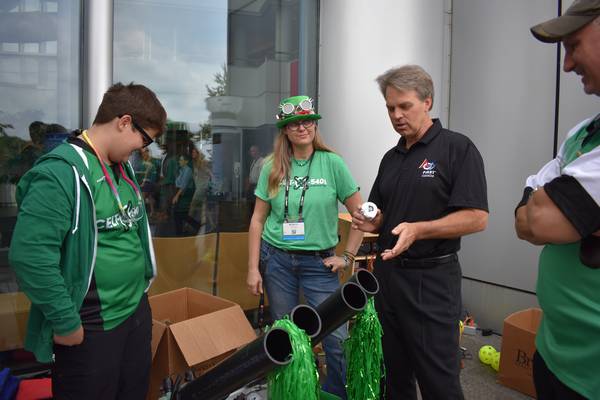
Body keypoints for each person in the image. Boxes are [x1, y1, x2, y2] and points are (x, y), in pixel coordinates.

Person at [9, 82, 167, 400]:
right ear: (124, 121)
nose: (143, 148)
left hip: (135, 314)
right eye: (144, 139)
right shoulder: (59, 173)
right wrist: (66, 323)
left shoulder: (121, 168)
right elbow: (30, 255)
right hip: (91, 325)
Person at [352, 65, 488, 399]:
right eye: (390, 108)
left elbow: (476, 217)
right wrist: (374, 222)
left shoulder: (457, 149)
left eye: (404, 106)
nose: (396, 115)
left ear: (427, 102)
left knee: (438, 381)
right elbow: (384, 216)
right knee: (393, 377)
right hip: (388, 280)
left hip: (431, 281)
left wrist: (420, 230)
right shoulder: (392, 157)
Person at [246, 95, 364, 399]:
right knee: (287, 335)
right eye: (294, 123)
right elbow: (257, 220)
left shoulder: (332, 163)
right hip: (277, 262)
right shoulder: (271, 166)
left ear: (315, 125)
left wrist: (347, 257)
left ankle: (336, 393)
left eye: (308, 121)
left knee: (335, 337)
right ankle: (296, 391)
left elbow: (360, 215)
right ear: (285, 129)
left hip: (319, 263)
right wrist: (252, 268)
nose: (302, 127)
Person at [515, 2, 600, 398]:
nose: (566, 65)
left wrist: (545, 198)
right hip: (554, 353)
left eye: (574, 45)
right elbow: (524, 219)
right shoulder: (585, 132)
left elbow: (543, 221)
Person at [188, 145, 212, 231]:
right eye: (192, 152)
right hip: (200, 187)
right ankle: (212, 224)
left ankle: (188, 224)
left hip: (202, 188)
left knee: (192, 205)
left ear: (198, 153)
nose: (193, 154)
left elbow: (209, 173)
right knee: (205, 207)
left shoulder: (202, 162)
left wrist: (209, 182)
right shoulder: (194, 163)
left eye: (194, 152)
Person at [172, 154, 195, 236]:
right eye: (179, 160)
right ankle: (180, 233)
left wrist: (176, 196)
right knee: (179, 214)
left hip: (185, 194)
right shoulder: (181, 170)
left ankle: (196, 227)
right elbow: (177, 183)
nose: (179, 162)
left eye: (181, 160)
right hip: (181, 193)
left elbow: (183, 185)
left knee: (181, 214)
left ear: (186, 161)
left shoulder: (188, 170)